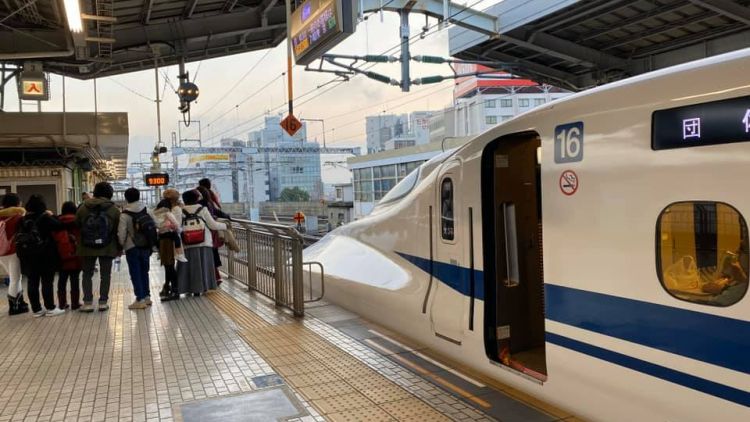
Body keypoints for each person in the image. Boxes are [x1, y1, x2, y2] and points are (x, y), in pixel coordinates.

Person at [76, 181, 120, 312]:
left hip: (86, 246)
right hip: (107, 246)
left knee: (87, 274)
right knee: (105, 275)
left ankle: (88, 302)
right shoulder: (114, 209)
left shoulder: (83, 207)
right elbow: (118, 229)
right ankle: (103, 302)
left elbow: (77, 224)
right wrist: (118, 246)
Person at [17, 195, 64, 317]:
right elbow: (59, 225)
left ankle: (36, 310)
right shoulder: (45, 218)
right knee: (47, 281)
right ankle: (50, 308)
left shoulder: (23, 219)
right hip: (46, 254)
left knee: (32, 281)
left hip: (28, 255)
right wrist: (51, 215)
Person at [177, 189, 226, 295]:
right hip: (203, 242)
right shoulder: (202, 209)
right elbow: (213, 225)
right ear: (196, 199)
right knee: (204, 266)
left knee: (189, 268)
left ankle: (189, 289)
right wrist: (225, 226)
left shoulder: (181, 211)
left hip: (187, 243)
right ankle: (203, 287)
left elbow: (178, 227)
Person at [118, 188, 156, 310]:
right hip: (146, 245)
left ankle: (139, 299)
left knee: (135, 273)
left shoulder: (124, 214)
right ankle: (147, 297)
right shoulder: (147, 210)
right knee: (145, 271)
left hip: (132, 247)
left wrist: (121, 245)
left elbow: (121, 233)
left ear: (126, 198)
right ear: (139, 196)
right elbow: (154, 224)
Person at [0, 193, 29, 315]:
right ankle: (13, 306)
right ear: (17, 203)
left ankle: (20, 302)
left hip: (1, 252)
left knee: (15, 278)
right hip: (12, 251)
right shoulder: (17, 217)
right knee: (15, 279)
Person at [154, 190, 185, 301]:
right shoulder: (169, 209)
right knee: (168, 265)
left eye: (166, 198)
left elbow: (175, 225)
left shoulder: (175, 209)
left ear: (170, 199)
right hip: (165, 239)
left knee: (169, 265)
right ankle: (168, 286)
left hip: (169, 239)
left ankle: (175, 290)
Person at [196, 185, 230, 286]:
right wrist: (227, 218)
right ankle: (216, 277)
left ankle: (212, 278)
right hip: (212, 233)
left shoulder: (200, 205)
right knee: (212, 255)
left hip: (203, 234)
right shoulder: (209, 202)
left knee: (206, 257)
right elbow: (217, 212)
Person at [54, 201, 83, 310]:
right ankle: (75, 303)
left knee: (62, 280)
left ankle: (62, 303)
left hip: (61, 256)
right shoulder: (77, 221)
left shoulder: (56, 221)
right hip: (76, 255)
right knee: (75, 279)